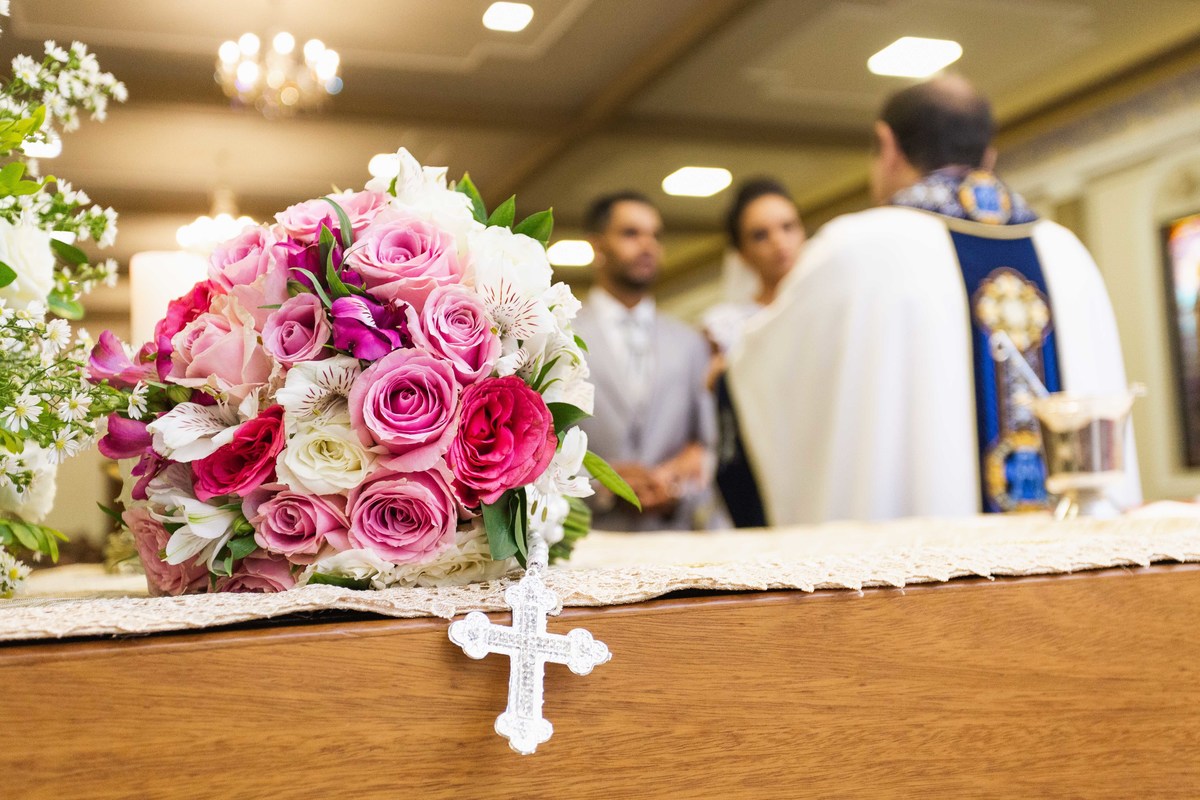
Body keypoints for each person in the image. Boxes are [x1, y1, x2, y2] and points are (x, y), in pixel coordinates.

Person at [721, 75, 1141, 526]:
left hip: (912, 561)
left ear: (887, 145)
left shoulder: (852, 251)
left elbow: (759, 381)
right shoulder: (1067, 252)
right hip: (1071, 557)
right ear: (988, 155)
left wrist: (726, 368)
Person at [574, 191, 717, 531]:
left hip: (672, 535)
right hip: (591, 536)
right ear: (597, 246)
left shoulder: (689, 342)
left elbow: (705, 444)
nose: (647, 245)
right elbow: (539, 444)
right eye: (631, 233)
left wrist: (675, 484)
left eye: (655, 235)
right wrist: (602, 485)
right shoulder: (561, 335)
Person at [702, 178, 806, 357]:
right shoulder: (725, 327)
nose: (779, 242)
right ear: (742, 253)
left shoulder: (835, 302)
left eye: (787, 227)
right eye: (760, 235)